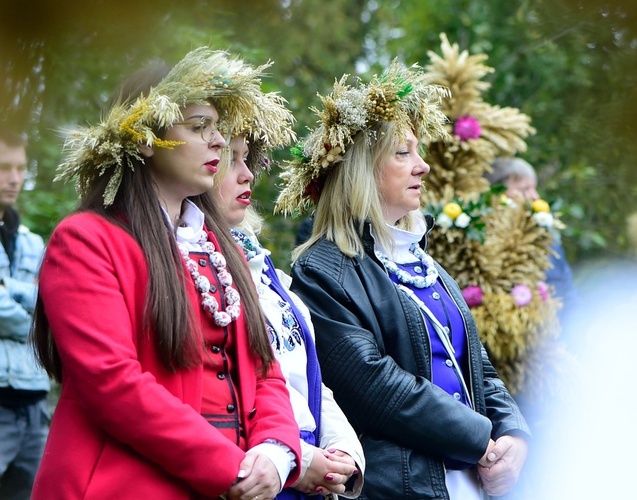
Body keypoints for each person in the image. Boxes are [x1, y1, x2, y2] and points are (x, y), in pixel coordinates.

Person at [30, 48, 302, 500]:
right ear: (143, 139)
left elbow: (264, 369)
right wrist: (230, 468)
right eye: (199, 127)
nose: (217, 141)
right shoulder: (85, 240)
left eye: (218, 128)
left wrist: (276, 453)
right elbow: (113, 385)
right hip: (121, 486)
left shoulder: (217, 248)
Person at [277, 62, 531, 499]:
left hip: (469, 481)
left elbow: (478, 366)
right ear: (361, 169)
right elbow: (373, 386)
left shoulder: (420, 258)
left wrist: (514, 435)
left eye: (419, 152)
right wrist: (481, 440)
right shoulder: (322, 270)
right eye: (403, 153)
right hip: (401, 488)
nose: (423, 167)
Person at [215, 134, 365, 499]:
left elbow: (304, 375)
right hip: (255, 474)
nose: (248, 174)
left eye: (247, 159)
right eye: (230, 159)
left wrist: (344, 450)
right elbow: (221, 390)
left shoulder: (262, 264)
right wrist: (297, 457)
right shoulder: (190, 265)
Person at [0, 124, 49, 499]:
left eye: (20, 167)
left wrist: (8, 292)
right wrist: (31, 313)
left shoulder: (33, 241)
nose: (14, 178)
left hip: (35, 403)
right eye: (4, 167)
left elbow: (52, 303)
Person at [487, 156, 579, 332]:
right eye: (524, 189)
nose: (535, 196)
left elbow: (570, 294)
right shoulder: (483, 246)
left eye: (534, 188)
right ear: (497, 194)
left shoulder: (547, 239)